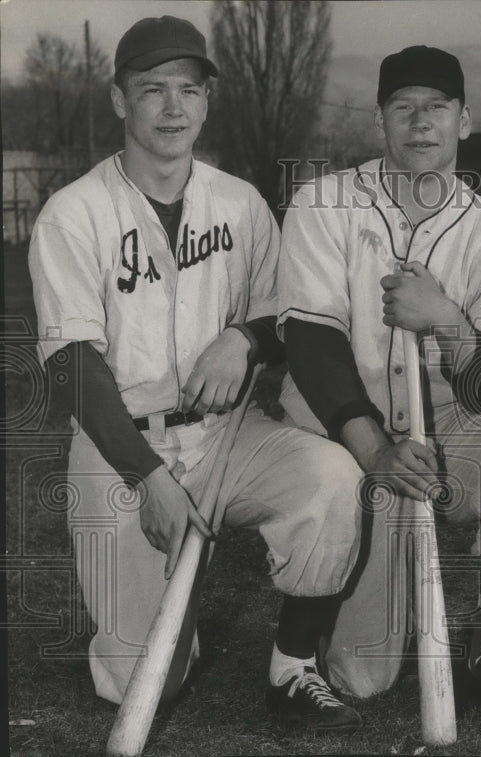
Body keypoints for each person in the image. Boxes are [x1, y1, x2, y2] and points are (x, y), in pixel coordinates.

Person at [28, 16, 363, 731]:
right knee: (146, 682)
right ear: (120, 101)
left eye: (189, 89)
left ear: (208, 100)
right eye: (152, 90)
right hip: (120, 448)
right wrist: (147, 476)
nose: (173, 107)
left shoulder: (240, 204)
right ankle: (162, 623)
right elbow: (70, 364)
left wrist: (245, 336)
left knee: (332, 477)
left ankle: (293, 663)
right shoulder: (73, 214)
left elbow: (290, 315)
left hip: (228, 435)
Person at [276, 45, 481, 726]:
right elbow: (311, 344)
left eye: (436, 106)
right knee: (366, 676)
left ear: (465, 121)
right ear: (381, 120)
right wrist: (375, 447)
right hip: (344, 441)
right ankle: (320, 602)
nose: (420, 122)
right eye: (402, 107)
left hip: (443, 437)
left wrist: (450, 322)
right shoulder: (324, 202)